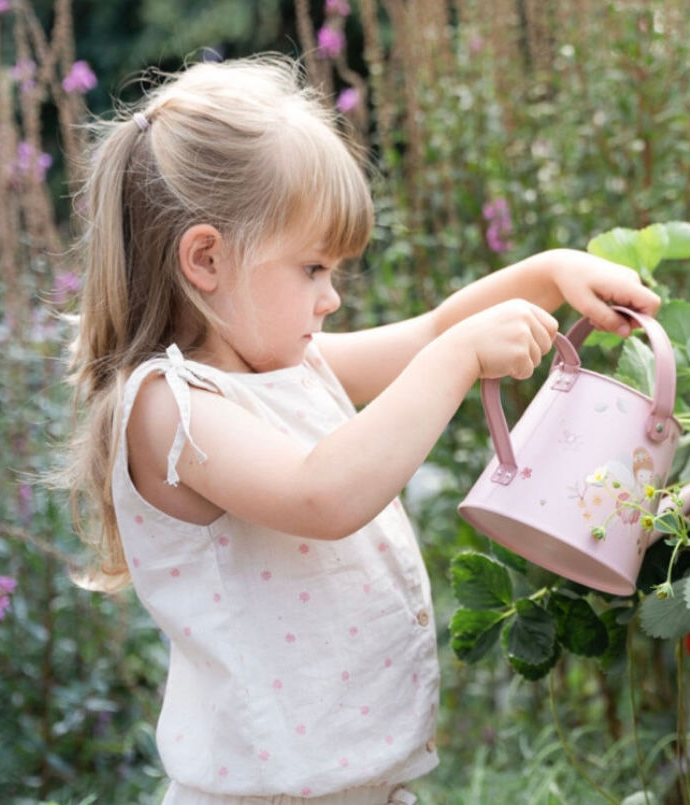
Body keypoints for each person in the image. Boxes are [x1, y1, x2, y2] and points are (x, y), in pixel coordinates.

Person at [62, 54, 659, 805]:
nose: (332, 298)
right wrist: (458, 359)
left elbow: (436, 327)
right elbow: (323, 494)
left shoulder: (288, 367)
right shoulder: (168, 408)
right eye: (313, 268)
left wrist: (552, 270)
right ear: (206, 258)